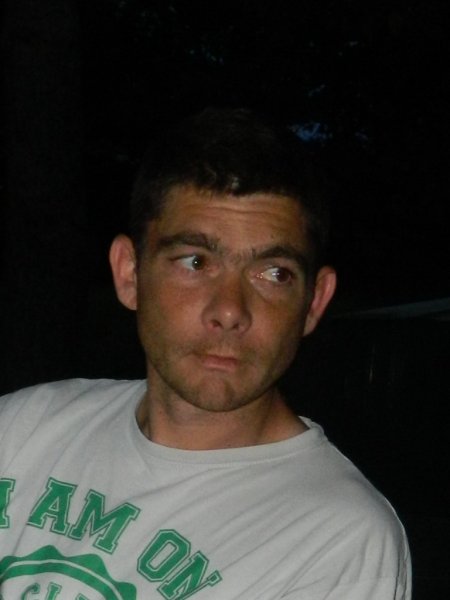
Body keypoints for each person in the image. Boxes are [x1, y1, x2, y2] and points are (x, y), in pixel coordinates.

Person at [0, 108, 411, 599]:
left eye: (274, 273)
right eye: (195, 262)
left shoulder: (338, 542)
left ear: (314, 302)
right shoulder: (23, 430)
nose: (230, 311)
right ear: (129, 273)